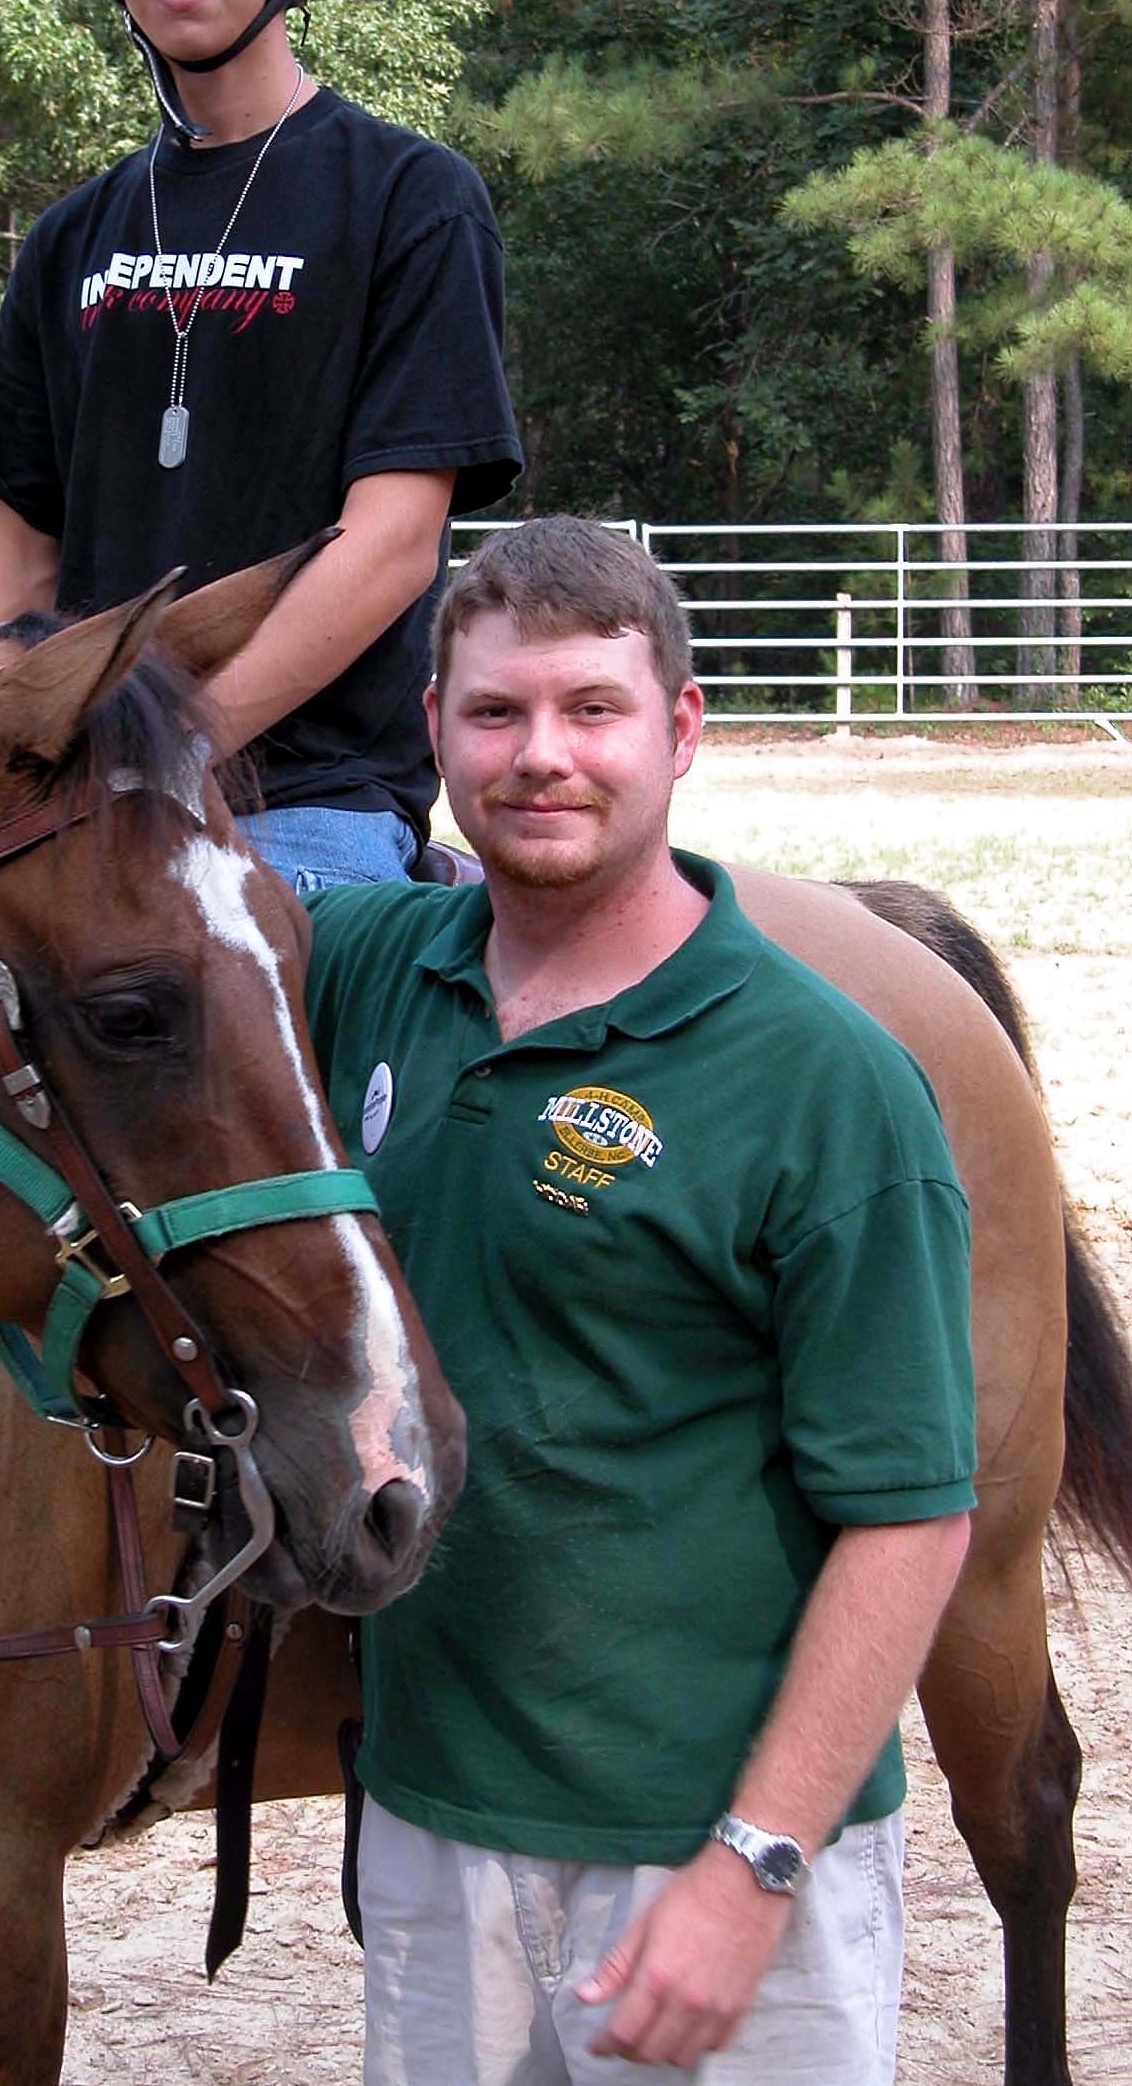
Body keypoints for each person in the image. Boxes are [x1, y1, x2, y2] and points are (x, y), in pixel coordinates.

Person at [303, 517, 976, 2083]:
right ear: (432, 733)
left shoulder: (823, 1083)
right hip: (431, 1828)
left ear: (679, 730)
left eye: (591, 709)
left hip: (709, 1853)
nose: (541, 755)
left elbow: (908, 1515)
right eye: (494, 712)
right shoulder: (364, 968)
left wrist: (752, 1866)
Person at [0, 0, 521, 894]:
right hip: (73, 792)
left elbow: (393, 543)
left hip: (301, 802)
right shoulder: (68, 242)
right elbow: (15, 565)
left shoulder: (411, 200)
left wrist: (175, 745)